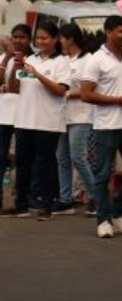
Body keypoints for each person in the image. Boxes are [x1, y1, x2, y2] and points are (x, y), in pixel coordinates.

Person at [81, 15, 122, 239]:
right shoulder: (96, 59)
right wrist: (119, 100)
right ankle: (103, 220)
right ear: (108, 32)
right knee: (102, 174)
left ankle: (118, 211)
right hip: (105, 125)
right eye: (120, 31)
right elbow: (86, 94)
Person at [8, 22, 70, 220]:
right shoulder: (29, 59)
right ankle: (21, 205)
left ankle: (46, 205)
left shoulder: (62, 62)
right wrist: (16, 68)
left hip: (48, 121)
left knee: (46, 164)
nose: (41, 42)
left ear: (55, 39)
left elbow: (60, 90)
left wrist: (37, 74)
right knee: (23, 163)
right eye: (38, 38)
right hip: (24, 119)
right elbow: (14, 87)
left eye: (45, 38)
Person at [56, 23, 97, 216]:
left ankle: (96, 197)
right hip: (61, 115)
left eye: (62, 38)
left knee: (78, 157)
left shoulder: (88, 60)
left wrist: (66, 93)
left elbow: (89, 88)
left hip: (81, 114)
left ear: (71, 38)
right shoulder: (63, 59)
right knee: (61, 157)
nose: (60, 42)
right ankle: (66, 199)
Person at [0, 25, 29, 216]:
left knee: (22, 158)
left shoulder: (32, 60)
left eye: (22, 37)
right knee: (1, 156)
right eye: (15, 37)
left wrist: (21, 64)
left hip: (24, 114)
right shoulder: (5, 58)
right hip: (4, 114)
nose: (18, 40)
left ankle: (22, 201)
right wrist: (5, 62)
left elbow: (23, 85)